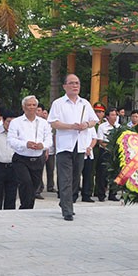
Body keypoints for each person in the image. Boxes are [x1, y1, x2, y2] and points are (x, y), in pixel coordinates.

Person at [47, 74, 99, 221]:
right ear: (65, 86)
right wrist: (71, 126)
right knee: (65, 178)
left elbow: (94, 120)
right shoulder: (58, 103)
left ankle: (66, 201)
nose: (75, 86)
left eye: (77, 83)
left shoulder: (85, 103)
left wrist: (86, 125)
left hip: (80, 146)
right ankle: (67, 210)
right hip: (65, 146)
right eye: (71, 83)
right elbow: (53, 123)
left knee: (76, 177)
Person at [8, 96, 52, 209]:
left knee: (34, 186)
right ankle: (25, 207)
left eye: (34, 105)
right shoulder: (16, 122)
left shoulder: (43, 123)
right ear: (23, 107)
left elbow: (49, 139)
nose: (31, 107)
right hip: (21, 158)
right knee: (25, 182)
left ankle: (28, 207)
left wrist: (43, 146)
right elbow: (11, 140)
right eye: (29, 105)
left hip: (38, 158)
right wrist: (25, 144)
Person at [96, 107, 120, 202]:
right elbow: (101, 141)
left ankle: (113, 194)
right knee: (102, 174)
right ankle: (101, 194)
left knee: (115, 173)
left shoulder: (119, 127)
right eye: (112, 115)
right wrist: (110, 146)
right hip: (105, 152)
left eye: (115, 115)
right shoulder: (102, 127)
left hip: (116, 153)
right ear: (107, 116)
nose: (114, 117)